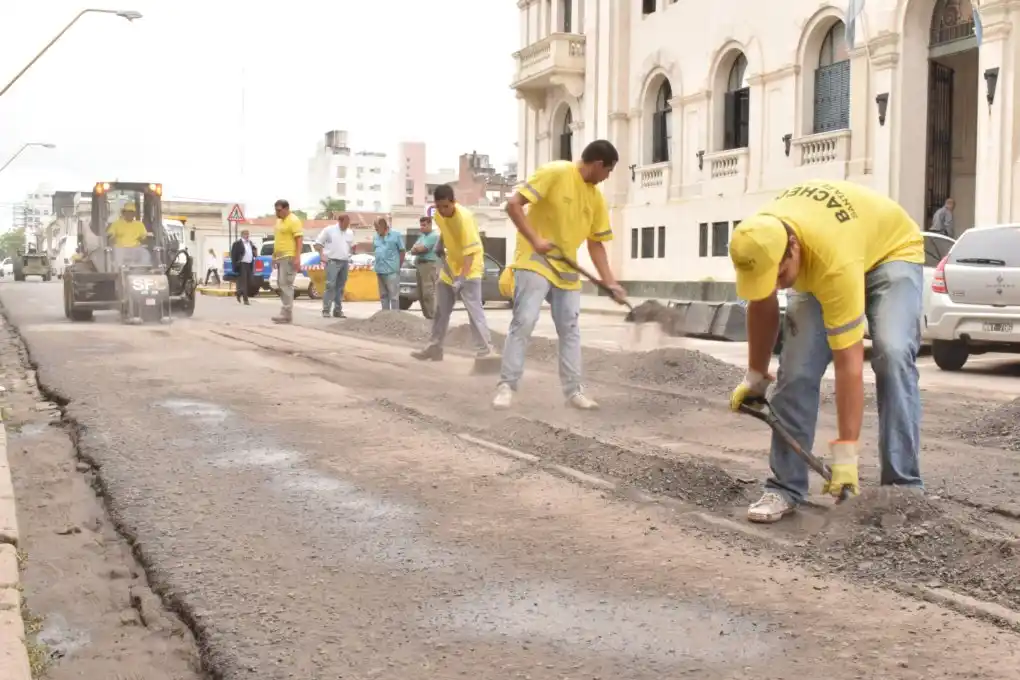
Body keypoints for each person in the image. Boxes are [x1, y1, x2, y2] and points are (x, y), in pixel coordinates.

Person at [728, 179, 925, 524]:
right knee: (797, 370)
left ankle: (902, 488)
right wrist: (756, 378)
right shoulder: (758, 241)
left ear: (792, 248)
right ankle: (784, 486)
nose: (775, 285)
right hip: (832, 246)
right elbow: (762, 304)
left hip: (890, 251)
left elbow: (849, 364)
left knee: (892, 355)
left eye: (781, 275)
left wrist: (846, 455)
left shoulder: (832, 262)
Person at [493, 140, 626, 411]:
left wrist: (610, 282)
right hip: (536, 260)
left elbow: (595, 244)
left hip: (566, 269)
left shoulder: (595, 197)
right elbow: (513, 205)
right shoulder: (556, 172)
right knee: (525, 320)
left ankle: (574, 391)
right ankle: (506, 385)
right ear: (599, 164)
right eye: (609, 171)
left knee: (570, 329)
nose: (607, 177)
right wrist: (536, 239)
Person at [411, 185, 494, 361]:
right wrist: (440, 243)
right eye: (438, 206)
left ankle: (485, 351)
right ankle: (435, 347)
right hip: (451, 266)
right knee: (441, 309)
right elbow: (445, 230)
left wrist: (462, 279)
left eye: (445, 206)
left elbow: (470, 253)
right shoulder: (438, 214)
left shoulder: (464, 218)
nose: (442, 210)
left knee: (474, 310)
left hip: (470, 268)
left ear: (453, 202)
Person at [314, 214, 355, 318]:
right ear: (340, 222)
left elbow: (351, 246)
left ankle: (337, 310)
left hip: (344, 261)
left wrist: (350, 255)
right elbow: (318, 243)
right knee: (330, 285)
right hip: (332, 261)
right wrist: (321, 255)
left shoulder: (349, 233)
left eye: (348, 224)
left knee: (340, 287)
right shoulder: (329, 230)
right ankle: (326, 310)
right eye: (345, 224)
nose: (346, 226)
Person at [271, 199, 303, 324]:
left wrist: (297, 257)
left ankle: (286, 313)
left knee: (286, 284)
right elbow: (278, 240)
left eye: (279, 210)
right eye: (276, 210)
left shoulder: (293, 220)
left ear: (286, 208)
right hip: (280, 257)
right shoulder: (279, 221)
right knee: (281, 284)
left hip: (289, 256)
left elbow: (299, 239)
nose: (277, 212)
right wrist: (274, 256)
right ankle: (285, 312)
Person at [410, 215, 440, 318]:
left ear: (430, 224)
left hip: (428, 265)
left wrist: (417, 248)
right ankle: (427, 317)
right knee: (421, 294)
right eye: (421, 225)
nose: (421, 227)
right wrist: (416, 248)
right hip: (420, 265)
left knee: (428, 292)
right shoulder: (422, 237)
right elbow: (412, 250)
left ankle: (434, 317)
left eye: (424, 225)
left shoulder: (433, 236)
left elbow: (423, 249)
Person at [372, 217, 405, 311]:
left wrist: (398, 266)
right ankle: (385, 317)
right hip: (380, 270)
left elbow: (402, 251)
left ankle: (395, 318)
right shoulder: (375, 237)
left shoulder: (396, 235)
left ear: (384, 226)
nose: (376, 230)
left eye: (377, 228)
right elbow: (375, 250)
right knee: (383, 295)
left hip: (392, 271)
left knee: (394, 296)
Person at [230, 229, 255, 305]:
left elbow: (252, 251)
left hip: (249, 264)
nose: (247, 235)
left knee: (250, 282)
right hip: (242, 264)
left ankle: (238, 292)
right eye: (246, 234)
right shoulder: (237, 244)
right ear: (242, 235)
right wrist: (235, 265)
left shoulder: (250, 243)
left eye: (248, 234)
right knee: (244, 283)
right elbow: (233, 256)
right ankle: (245, 300)